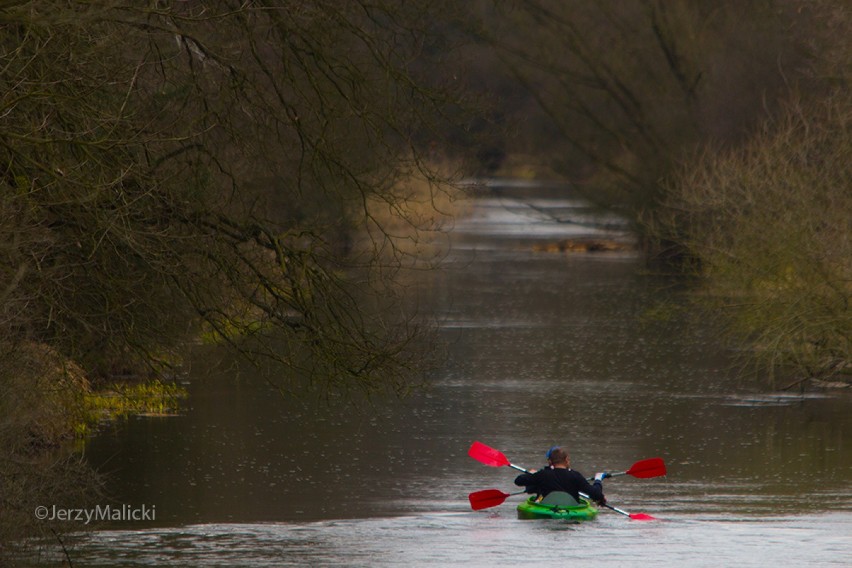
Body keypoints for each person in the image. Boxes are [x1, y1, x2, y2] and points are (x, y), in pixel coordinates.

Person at [514, 446, 606, 504]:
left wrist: (531, 474)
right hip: (571, 509)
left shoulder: (542, 475)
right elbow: (597, 494)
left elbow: (518, 481)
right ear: (566, 459)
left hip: (546, 507)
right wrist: (598, 480)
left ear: (550, 461)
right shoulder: (575, 476)